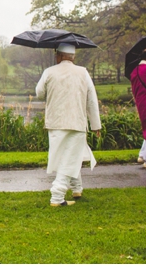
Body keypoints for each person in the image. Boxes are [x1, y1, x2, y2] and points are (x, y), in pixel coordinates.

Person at [36, 43, 101, 207]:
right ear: (73, 57)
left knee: (66, 156)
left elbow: (39, 93)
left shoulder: (49, 72)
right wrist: (95, 124)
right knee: (71, 157)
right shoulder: (83, 73)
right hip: (76, 121)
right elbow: (91, 99)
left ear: (58, 56)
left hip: (56, 121)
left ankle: (77, 188)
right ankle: (57, 196)